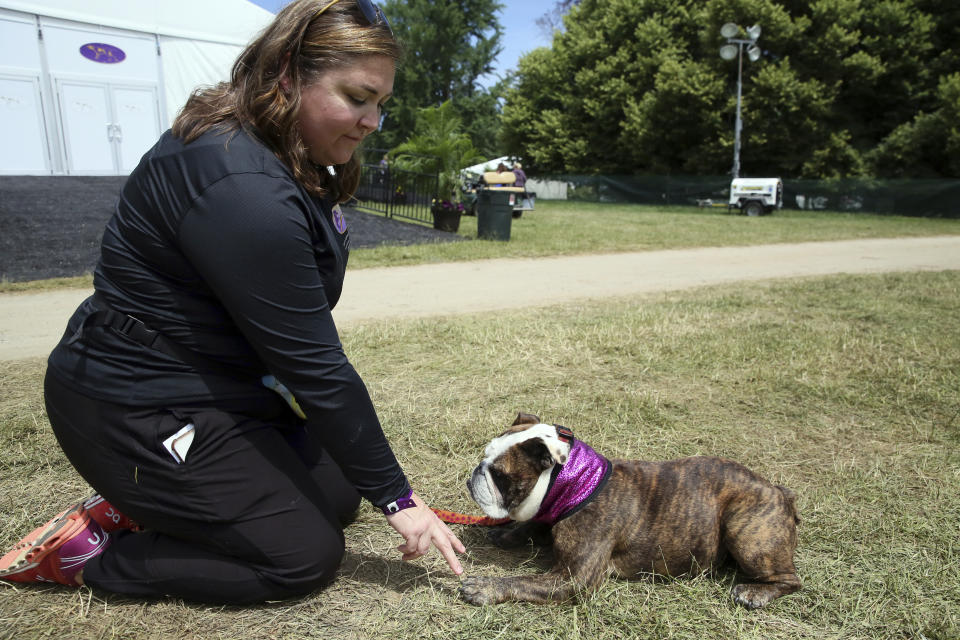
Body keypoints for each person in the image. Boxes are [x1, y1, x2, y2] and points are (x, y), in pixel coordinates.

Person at [0, 0, 465, 605]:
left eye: (381, 103)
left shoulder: (289, 156)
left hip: (216, 386)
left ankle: (154, 502)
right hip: (133, 402)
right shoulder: (242, 188)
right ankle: (89, 559)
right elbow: (316, 368)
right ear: (288, 77)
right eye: (357, 97)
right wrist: (400, 500)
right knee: (302, 557)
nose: (373, 120)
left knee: (335, 492)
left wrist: (375, 486)